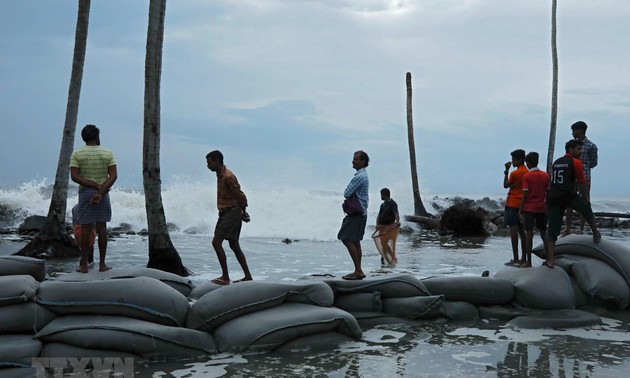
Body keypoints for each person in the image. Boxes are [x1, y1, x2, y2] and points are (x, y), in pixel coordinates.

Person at [545, 139, 601, 268]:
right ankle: (595, 233)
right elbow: (582, 183)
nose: (580, 152)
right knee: (586, 210)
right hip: (567, 195)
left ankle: (551, 260)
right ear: (570, 150)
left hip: (553, 196)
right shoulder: (576, 163)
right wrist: (585, 198)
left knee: (552, 229)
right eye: (578, 149)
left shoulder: (557, 162)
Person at [70, 124, 117, 273]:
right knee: (102, 227)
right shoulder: (107, 153)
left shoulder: (77, 154)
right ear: (97, 137)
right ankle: (102, 264)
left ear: (84, 138)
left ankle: (84, 265)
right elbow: (113, 175)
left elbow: (75, 176)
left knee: (85, 227)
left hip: (85, 193)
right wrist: (101, 191)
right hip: (103, 193)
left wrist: (92, 185)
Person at [206, 150, 252, 285]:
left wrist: (244, 212)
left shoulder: (227, 176)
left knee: (216, 242)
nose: (208, 166)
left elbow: (240, 196)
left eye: (210, 163)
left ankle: (225, 277)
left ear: (217, 161)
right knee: (234, 244)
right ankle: (247, 275)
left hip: (232, 212)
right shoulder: (220, 175)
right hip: (227, 212)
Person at [338, 150, 369, 280]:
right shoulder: (364, 175)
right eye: (353, 159)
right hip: (362, 213)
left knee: (345, 238)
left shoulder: (359, 177)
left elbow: (346, 193)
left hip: (356, 214)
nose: (353, 161)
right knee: (355, 241)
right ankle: (358, 269)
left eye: (356, 159)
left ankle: (358, 270)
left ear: (362, 162)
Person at [563, 121, 598, 235]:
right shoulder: (572, 145)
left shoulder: (591, 146)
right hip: (572, 177)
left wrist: (584, 166)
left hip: (585, 176)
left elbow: (593, 162)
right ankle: (568, 227)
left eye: (574, 130)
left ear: (581, 130)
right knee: (569, 201)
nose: (572, 133)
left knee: (585, 201)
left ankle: (581, 228)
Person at [517, 152, 549, 268]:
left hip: (529, 208)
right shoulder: (545, 175)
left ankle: (528, 261)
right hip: (541, 207)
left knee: (529, 234)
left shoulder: (527, 176)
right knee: (543, 233)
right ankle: (550, 258)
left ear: (528, 163)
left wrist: (520, 209)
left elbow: (525, 193)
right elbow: (548, 191)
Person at [503, 149, 528, 266]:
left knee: (513, 232)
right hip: (523, 205)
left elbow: (505, 185)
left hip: (512, 204)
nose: (512, 161)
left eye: (513, 159)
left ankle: (516, 258)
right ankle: (524, 258)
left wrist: (506, 171)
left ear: (519, 159)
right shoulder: (527, 172)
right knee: (523, 232)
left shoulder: (514, 173)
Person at [374, 188, 400, 266]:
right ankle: (385, 257)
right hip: (382, 227)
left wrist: (397, 222)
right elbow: (379, 216)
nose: (380, 196)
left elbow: (396, 214)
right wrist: (377, 224)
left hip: (390, 227)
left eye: (381, 194)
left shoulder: (393, 203)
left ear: (385, 195)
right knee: (383, 243)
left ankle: (391, 257)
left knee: (384, 243)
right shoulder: (382, 205)